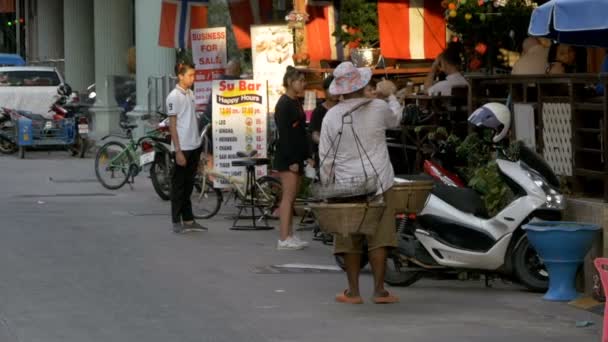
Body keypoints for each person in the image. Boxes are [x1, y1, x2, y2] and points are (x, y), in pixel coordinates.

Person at [319, 62, 401, 304]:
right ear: (362, 84)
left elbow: (326, 159)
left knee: (350, 239)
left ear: (340, 90)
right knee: (379, 238)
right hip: (379, 182)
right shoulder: (378, 107)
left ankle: (353, 292)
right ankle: (379, 291)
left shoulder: (331, 116)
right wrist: (392, 95)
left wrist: (328, 189)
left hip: (346, 186)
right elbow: (395, 119)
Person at [167, 63, 207, 234]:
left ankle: (189, 219)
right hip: (182, 147)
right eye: (190, 75)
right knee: (179, 186)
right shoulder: (173, 96)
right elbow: (173, 125)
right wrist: (178, 150)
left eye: (194, 75)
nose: (193, 78)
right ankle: (176, 221)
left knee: (189, 185)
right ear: (180, 76)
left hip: (194, 145)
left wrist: (200, 145)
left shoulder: (190, 93)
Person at [273, 66, 310, 250]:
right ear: (290, 82)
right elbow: (285, 135)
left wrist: (307, 155)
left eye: (304, 81)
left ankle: (290, 234)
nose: (303, 84)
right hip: (287, 157)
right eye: (300, 81)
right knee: (287, 197)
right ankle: (283, 238)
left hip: (297, 155)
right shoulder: (283, 104)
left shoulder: (296, 101)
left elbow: (301, 132)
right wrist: (293, 160)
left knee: (293, 196)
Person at [309, 75, 338, 167]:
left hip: (344, 156)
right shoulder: (318, 111)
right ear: (325, 91)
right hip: (325, 157)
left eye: (336, 88)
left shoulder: (344, 108)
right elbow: (315, 134)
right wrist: (327, 143)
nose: (334, 92)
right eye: (331, 88)